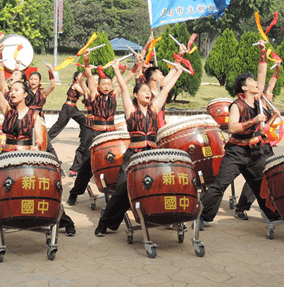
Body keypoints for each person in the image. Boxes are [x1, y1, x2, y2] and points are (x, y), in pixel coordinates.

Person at [0, 61, 77, 236]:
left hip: (26, 156)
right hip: (6, 155)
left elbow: (38, 138)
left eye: (16, 90)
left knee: (37, 190)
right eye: (11, 90)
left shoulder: (34, 115)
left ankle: (65, 221)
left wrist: (37, 148)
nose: (12, 93)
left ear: (24, 94)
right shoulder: (8, 110)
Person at [95, 59, 184, 236]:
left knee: (158, 185)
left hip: (151, 154)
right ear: (136, 95)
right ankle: (105, 224)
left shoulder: (155, 108)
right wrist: (116, 70)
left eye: (148, 92)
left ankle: (162, 217)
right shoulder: (130, 109)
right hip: (133, 155)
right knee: (122, 189)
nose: (147, 93)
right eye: (143, 91)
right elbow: (124, 88)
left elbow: (165, 89)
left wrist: (179, 72)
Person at [200, 41, 280, 224]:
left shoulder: (258, 101)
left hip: (256, 152)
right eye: (251, 82)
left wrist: (262, 52)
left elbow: (262, 73)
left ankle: (273, 216)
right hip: (236, 153)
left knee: (262, 186)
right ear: (244, 88)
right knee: (220, 185)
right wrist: (253, 121)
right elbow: (232, 127)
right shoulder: (237, 105)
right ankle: (202, 217)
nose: (255, 83)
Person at [67, 49, 124, 206]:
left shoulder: (114, 95)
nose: (106, 86)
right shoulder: (94, 94)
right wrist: (86, 61)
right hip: (96, 134)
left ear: (112, 85)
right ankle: (74, 193)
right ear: (98, 85)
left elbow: (128, 79)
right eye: (103, 84)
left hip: (111, 135)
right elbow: (90, 76)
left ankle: (118, 194)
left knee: (117, 162)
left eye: (108, 84)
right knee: (87, 165)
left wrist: (129, 68)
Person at [234, 65, 282, 220]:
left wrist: (277, 71)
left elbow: (271, 85)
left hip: (266, 147)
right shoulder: (260, 101)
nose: (272, 95)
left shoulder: (266, 106)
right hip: (255, 146)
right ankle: (242, 207)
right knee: (255, 179)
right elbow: (263, 130)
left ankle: (273, 208)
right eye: (270, 93)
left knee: (271, 176)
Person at [47, 70, 87, 177]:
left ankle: (83, 136)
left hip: (73, 108)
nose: (81, 77)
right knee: (58, 126)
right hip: (68, 108)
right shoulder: (75, 85)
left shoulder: (79, 85)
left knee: (84, 121)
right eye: (80, 76)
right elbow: (84, 92)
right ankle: (46, 139)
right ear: (76, 78)